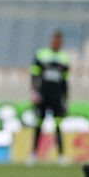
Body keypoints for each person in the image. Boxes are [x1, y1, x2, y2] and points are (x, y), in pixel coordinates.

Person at [26, 31, 70, 166]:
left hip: (56, 96)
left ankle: (61, 155)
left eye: (59, 40)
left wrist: (66, 98)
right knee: (38, 125)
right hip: (43, 95)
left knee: (57, 126)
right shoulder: (41, 54)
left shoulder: (64, 58)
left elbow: (65, 80)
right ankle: (33, 154)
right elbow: (34, 74)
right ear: (51, 40)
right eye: (55, 40)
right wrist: (34, 92)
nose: (57, 42)